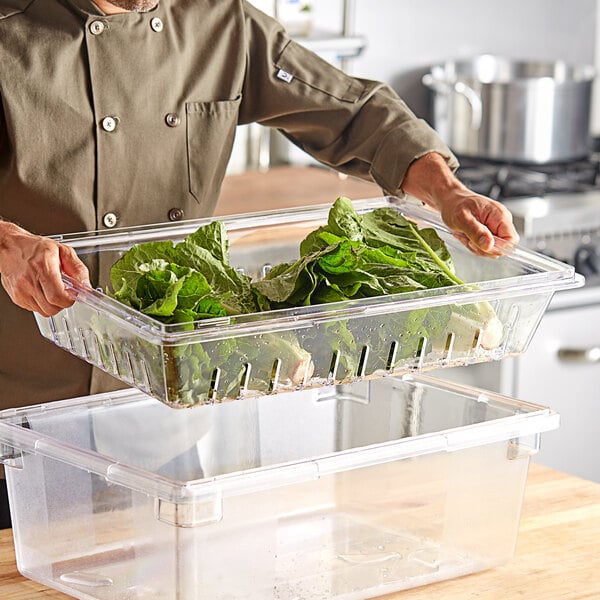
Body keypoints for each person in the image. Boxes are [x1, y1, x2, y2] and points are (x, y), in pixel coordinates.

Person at [0, 0, 518, 526]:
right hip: (16, 423)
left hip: (157, 423)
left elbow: (354, 113)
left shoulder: (219, 22)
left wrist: (448, 192)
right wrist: (7, 245)